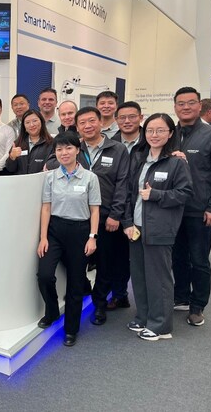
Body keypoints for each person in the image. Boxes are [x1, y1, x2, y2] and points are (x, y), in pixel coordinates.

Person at [123, 113, 192, 341]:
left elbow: (184, 193)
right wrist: (127, 222)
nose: (154, 135)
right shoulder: (139, 159)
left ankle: (160, 325)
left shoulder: (176, 162)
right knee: (139, 276)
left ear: (170, 133)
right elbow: (130, 193)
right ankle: (144, 317)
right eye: (150, 130)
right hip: (136, 228)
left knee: (159, 279)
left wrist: (156, 195)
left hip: (160, 229)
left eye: (160, 130)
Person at [172, 87, 211, 326]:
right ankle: (181, 295)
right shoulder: (169, 133)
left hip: (200, 209)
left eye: (191, 103)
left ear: (199, 106)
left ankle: (197, 305)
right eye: (181, 103)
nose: (186, 107)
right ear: (175, 106)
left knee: (199, 259)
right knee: (177, 256)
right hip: (172, 209)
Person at [37, 132, 100, 347]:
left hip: (80, 231)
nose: (64, 153)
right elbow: (46, 208)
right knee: (44, 275)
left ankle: (71, 329)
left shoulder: (90, 178)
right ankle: (52, 311)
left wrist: (92, 237)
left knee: (75, 282)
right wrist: (43, 237)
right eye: (59, 149)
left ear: (77, 150)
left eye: (68, 148)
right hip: (54, 230)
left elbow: (95, 210)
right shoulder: (50, 177)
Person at [74, 107, 130, 324]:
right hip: (78, 216)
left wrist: (116, 214)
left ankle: (99, 304)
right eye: (82, 123)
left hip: (107, 216)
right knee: (77, 260)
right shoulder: (74, 148)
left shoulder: (117, 149)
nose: (87, 126)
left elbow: (123, 184)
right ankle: (82, 293)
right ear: (77, 127)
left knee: (105, 264)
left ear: (100, 123)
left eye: (91, 121)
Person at [4, 110, 53, 175]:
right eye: (27, 122)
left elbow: (52, 166)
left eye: (34, 121)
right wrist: (12, 157)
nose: (31, 125)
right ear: (24, 126)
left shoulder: (51, 143)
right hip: (21, 180)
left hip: (42, 180)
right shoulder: (17, 144)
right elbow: (10, 169)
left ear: (41, 122)